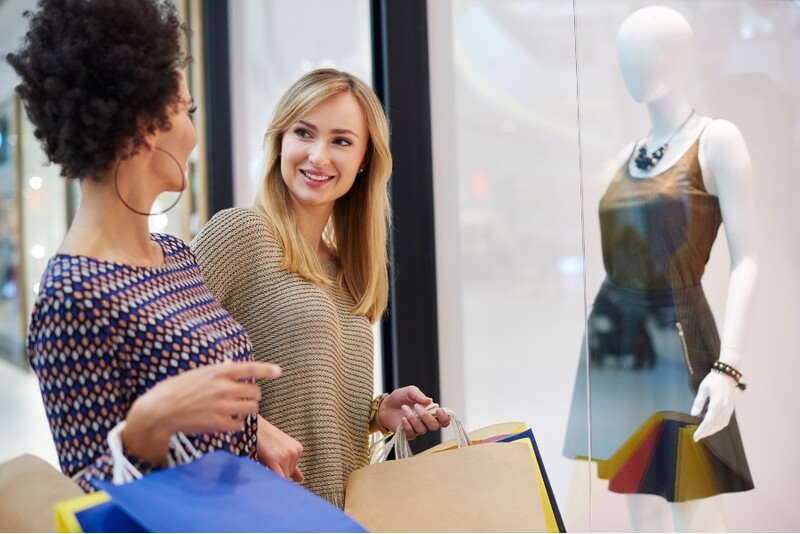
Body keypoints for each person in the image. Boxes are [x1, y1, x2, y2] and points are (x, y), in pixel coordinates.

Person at [6, 0, 289, 492]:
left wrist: (249, 428)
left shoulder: (175, 256)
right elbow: (86, 502)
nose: (194, 135)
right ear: (144, 124)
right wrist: (145, 430)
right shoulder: (72, 295)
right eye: (185, 110)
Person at [191, 68, 451, 507]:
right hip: (258, 509)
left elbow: (306, 395)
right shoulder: (241, 233)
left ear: (366, 158)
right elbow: (160, 361)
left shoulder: (347, 270)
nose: (318, 156)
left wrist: (377, 412)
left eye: (341, 141)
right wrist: (249, 428)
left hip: (336, 513)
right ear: (280, 141)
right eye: (304, 133)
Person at [562, 6, 758, 531]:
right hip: (617, 338)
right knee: (639, 499)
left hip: (677, 333)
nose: (630, 68)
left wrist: (729, 367)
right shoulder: (629, 152)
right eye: (623, 56)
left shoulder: (716, 140)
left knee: (693, 498)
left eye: (643, 53)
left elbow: (748, 259)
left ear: (679, 56)